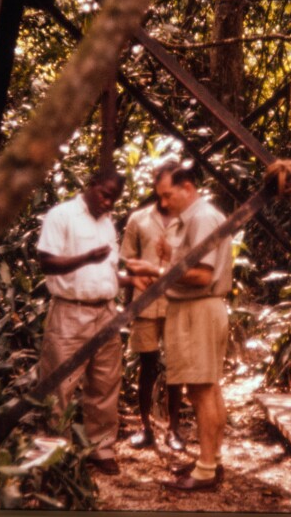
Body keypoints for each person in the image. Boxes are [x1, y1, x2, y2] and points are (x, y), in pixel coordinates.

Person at [127, 161, 233, 490]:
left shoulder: (201, 217)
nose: (164, 203)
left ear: (187, 187)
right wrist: (172, 257)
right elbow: (196, 265)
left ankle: (204, 470)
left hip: (198, 309)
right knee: (208, 387)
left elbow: (201, 275)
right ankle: (210, 460)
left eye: (168, 195)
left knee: (201, 390)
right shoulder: (199, 218)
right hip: (201, 307)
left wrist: (157, 270)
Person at [35, 169, 128, 476]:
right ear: (91, 185)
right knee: (59, 384)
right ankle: (53, 452)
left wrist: (130, 278)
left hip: (105, 311)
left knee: (104, 381)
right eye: (104, 194)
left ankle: (101, 448)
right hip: (70, 312)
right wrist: (86, 258)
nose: (107, 202)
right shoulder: (62, 216)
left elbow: (109, 270)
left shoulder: (106, 223)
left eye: (113, 199)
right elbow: (46, 261)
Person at [120, 192, 186, 452]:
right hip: (145, 301)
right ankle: (145, 426)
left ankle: (173, 429)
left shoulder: (187, 221)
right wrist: (128, 304)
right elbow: (128, 261)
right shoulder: (139, 219)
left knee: (176, 367)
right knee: (147, 365)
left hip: (176, 303)